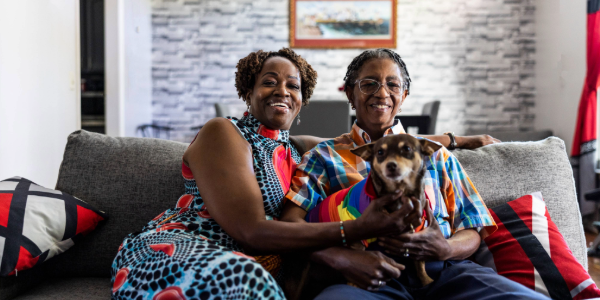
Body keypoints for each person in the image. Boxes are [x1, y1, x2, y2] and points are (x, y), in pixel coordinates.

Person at [111, 48, 422, 300]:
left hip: (257, 262)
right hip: (182, 247)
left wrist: (453, 141)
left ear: (303, 100)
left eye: (293, 86)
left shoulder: (300, 152)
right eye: (270, 81)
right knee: (245, 278)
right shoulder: (223, 132)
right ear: (249, 91)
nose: (282, 91)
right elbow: (252, 231)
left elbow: (364, 142)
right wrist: (351, 233)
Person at [280, 48, 551, 300]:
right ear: (350, 94)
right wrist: (343, 259)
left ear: (404, 95)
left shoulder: (436, 154)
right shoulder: (323, 156)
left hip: (444, 270)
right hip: (367, 275)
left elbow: (474, 228)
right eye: (369, 83)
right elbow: (291, 227)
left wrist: (446, 249)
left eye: (393, 84)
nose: (382, 93)